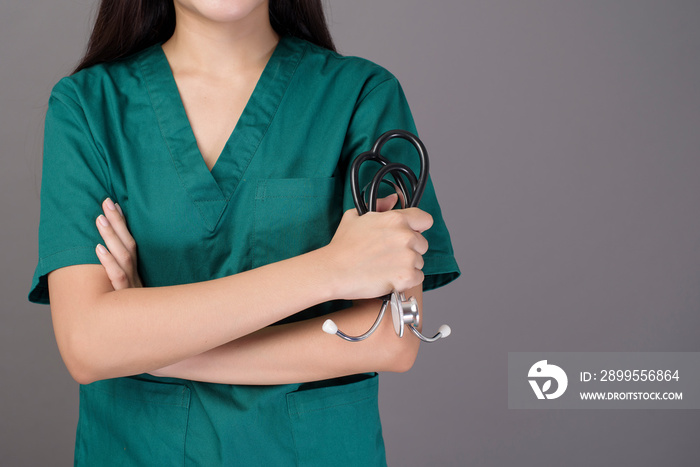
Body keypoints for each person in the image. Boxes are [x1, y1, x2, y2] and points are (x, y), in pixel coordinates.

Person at [29, 0, 460, 465]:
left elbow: (392, 338)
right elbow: (89, 343)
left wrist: (156, 350)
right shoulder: (89, 107)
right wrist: (330, 271)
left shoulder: (361, 95)